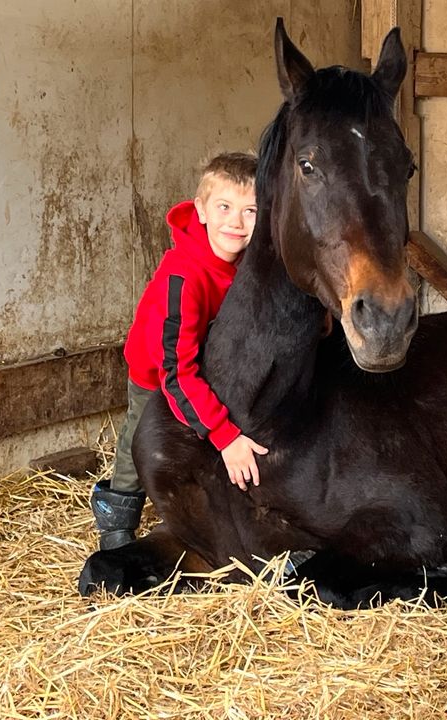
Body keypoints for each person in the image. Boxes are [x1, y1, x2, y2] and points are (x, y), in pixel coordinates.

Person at [91, 152, 267, 550]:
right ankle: (117, 517)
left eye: (250, 210)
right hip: (160, 373)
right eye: (224, 207)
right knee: (141, 438)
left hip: (210, 367)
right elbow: (177, 373)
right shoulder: (183, 277)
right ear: (201, 210)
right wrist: (224, 436)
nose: (236, 222)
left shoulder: (249, 264)